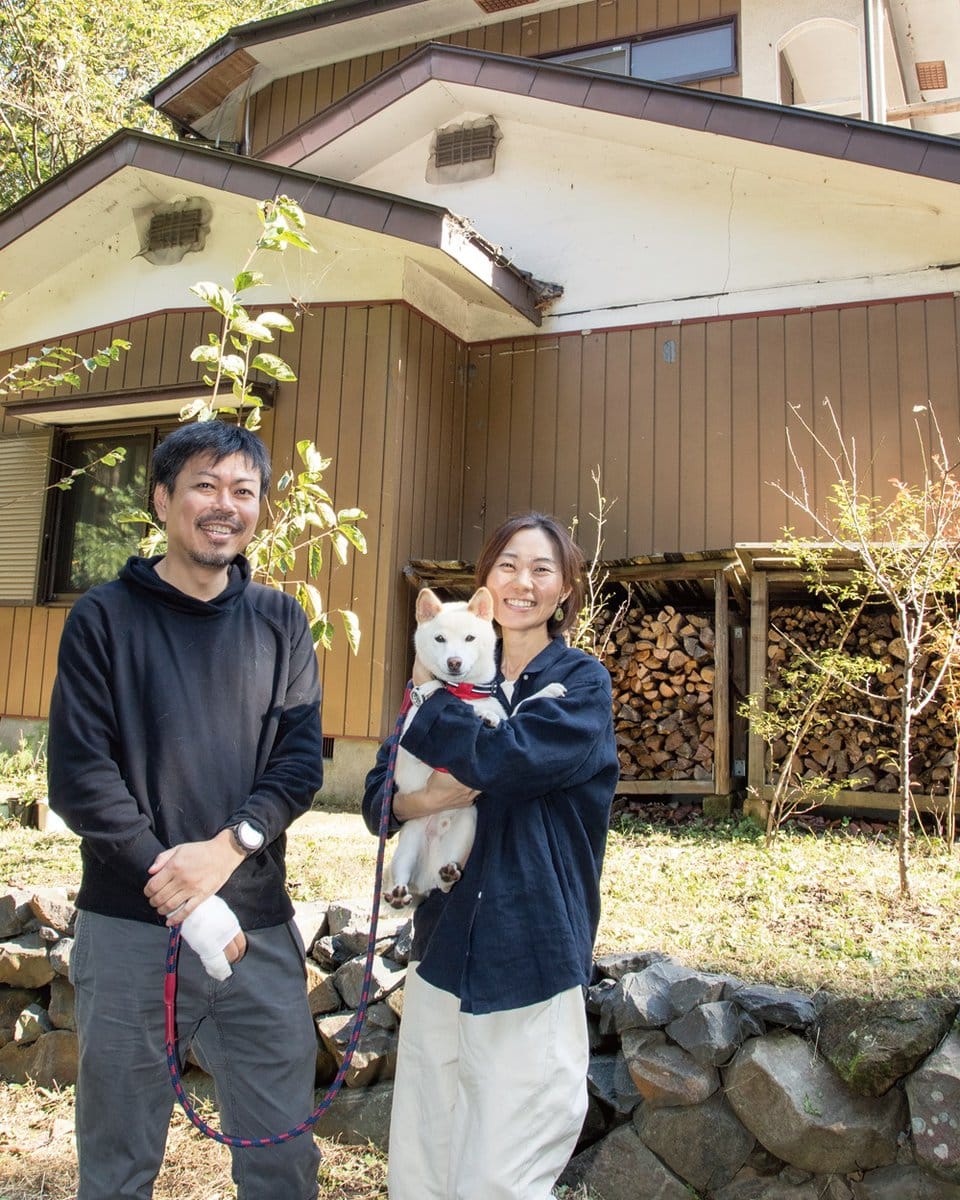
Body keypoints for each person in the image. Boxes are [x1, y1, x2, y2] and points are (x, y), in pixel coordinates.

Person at [48, 421, 324, 1200]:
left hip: (258, 929)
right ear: (164, 498)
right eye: (205, 485)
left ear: (259, 510)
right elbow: (80, 777)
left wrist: (229, 849)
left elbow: (299, 765)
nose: (224, 506)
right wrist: (175, 885)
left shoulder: (280, 623)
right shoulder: (103, 619)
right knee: (118, 1160)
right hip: (131, 924)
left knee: (281, 1159)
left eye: (243, 491)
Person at [363, 511, 618, 1200]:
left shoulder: (580, 684)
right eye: (507, 565)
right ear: (484, 582)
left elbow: (508, 761)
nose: (523, 582)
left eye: (542, 569)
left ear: (566, 589)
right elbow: (376, 796)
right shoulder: (456, 667)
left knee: (500, 1173)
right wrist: (423, 798)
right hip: (445, 948)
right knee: (424, 1163)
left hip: (528, 948)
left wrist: (427, 701)